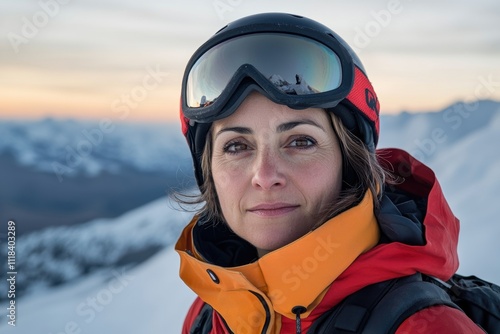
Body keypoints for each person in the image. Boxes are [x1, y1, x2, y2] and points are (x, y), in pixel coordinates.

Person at [174, 12, 484, 333]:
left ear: (350, 162)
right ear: (209, 169)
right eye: (237, 146)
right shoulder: (210, 313)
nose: (265, 176)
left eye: (300, 141)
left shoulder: (425, 326)